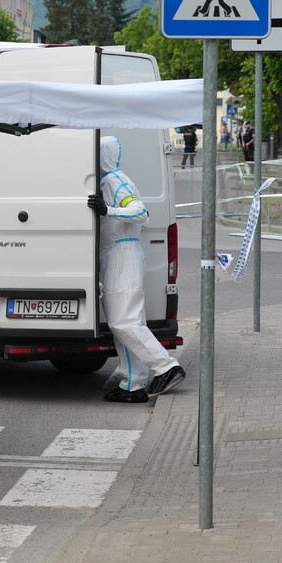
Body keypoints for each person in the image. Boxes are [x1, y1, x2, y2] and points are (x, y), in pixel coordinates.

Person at [87, 136, 186, 403]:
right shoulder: (109, 180)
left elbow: (141, 213)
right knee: (127, 322)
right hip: (118, 253)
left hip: (122, 253)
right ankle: (134, 383)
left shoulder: (116, 180)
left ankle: (166, 367)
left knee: (123, 321)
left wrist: (107, 210)